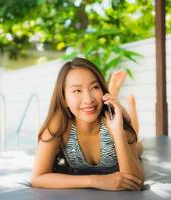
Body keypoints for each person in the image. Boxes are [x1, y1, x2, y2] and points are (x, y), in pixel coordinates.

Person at [31, 57, 144, 191]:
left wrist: (118, 133)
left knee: (136, 145)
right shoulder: (59, 123)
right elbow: (38, 178)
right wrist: (95, 180)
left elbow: (134, 181)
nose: (88, 99)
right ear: (64, 99)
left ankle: (125, 102)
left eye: (95, 87)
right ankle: (112, 92)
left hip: (115, 124)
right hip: (99, 109)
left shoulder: (111, 119)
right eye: (77, 90)